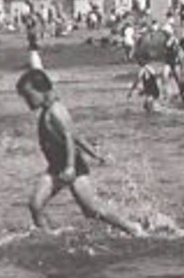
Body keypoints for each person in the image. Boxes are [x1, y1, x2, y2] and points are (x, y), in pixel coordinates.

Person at [16, 68, 145, 237]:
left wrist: (70, 167)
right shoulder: (47, 111)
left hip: (72, 166)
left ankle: (131, 227)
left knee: (92, 209)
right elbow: (77, 135)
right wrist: (95, 154)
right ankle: (49, 236)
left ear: (42, 90)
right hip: (56, 167)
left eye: (28, 95)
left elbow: (70, 137)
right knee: (35, 205)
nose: (27, 101)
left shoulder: (56, 110)